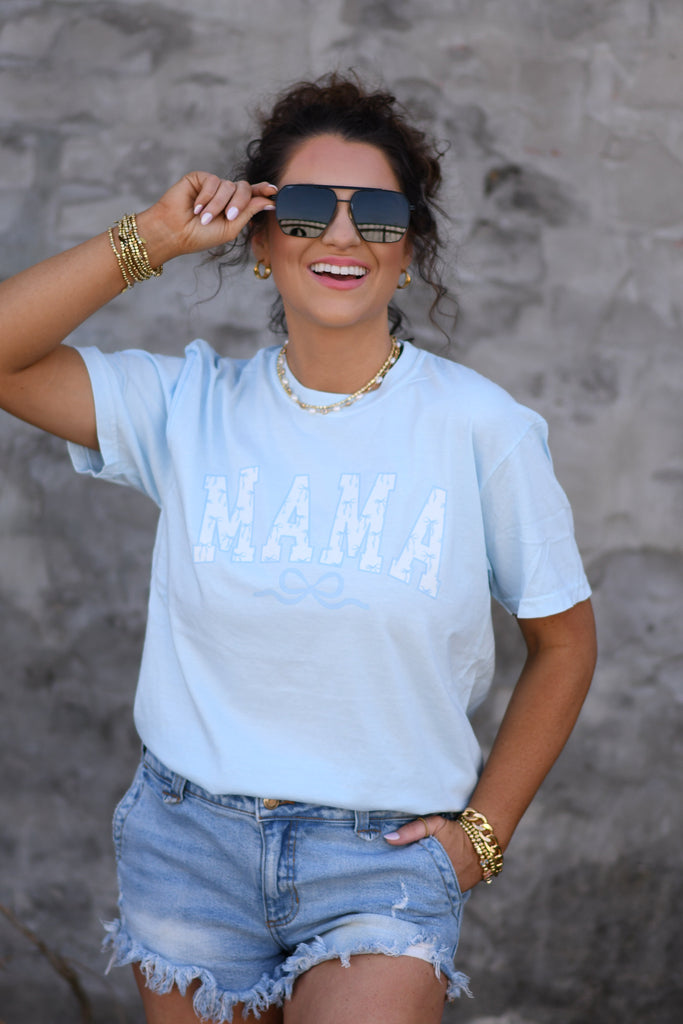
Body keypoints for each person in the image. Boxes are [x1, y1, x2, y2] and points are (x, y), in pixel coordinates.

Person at [0, 73, 597, 1024]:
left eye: (379, 216)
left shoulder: (482, 430)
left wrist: (482, 837)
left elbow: (563, 642)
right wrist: (152, 237)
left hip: (381, 860)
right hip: (191, 846)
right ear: (260, 240)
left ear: (410, 249)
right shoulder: (188, 408)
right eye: (309, 210)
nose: (342, 237)